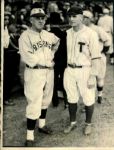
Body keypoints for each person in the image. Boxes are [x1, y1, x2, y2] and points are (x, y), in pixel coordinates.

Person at [19, 6, 60, 147]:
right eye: (37, 18)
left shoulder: (48, 35)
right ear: (31, 19)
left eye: (42, 18)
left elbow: (57, 41)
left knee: (46, 98)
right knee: (34, 100)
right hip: (34, 71)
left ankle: (42, 125)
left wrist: (52, 54)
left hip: (49, 71)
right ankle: (29, 136)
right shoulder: (25, 36)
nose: (41, 20)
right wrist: (42, 61)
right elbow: (26, 56)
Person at [63, 6, 101, 135]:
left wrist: (93, 76)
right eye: (69, 16)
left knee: (88, 98)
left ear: (81, 17)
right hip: (69, 69)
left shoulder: (91, 33)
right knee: (71, 98)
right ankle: (72, 123)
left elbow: (96, 56)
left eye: (74, 16)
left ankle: (88, 123)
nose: (71, 19)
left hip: (85, 69)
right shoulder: (67, 33)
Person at [83, 10, 111, 104]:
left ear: (89, 19)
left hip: (98, 57)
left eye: (84, 17)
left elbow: (107, 40)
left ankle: (99, 95)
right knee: (88, 80)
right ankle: (89, 101)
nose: (82, 19)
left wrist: (102, 52)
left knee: (99, 77)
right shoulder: (81, 29)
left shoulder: (97, 29)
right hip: (86, 59)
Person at [3, 11, 15, 106]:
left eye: (7, 19)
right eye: (4, 19)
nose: (6, 21)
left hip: (7, 53)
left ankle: (6, 97)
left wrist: (16, 48)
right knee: (5, 77)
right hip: (3, 53)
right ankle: (5, 99)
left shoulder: (6, 28)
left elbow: (8, 41)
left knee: (8, 76)